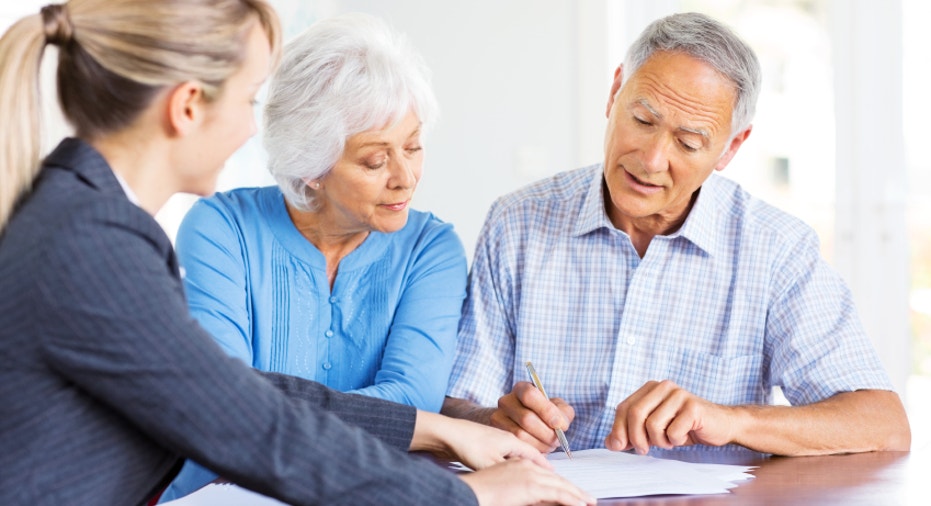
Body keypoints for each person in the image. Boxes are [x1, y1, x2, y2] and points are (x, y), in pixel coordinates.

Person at [0, 2, 594, 505]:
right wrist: (471, 495)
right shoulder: (92, 245)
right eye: (249, 101)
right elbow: (248, 422)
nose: (253, 130)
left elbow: (238, 392)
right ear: (186, 106)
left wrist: (440, 429)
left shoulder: (90, 224)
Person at [442, 12, 911, 458]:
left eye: (688, 143)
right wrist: (495, 419)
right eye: (642, 121)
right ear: (613, 94)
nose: (651, 159)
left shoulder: (775, 249)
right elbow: (454, 404)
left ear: (731, 147)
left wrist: (732, 421)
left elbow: (882, 425)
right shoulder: (518, 223)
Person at [160, 13, 469, 501]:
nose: (405, 177)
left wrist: (265, 417)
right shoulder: (222, 228)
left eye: (413, 147)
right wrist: (403, 424)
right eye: (375, 160)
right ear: (312, 167)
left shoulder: (430, 249)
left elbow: (414, 397)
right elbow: (226, 403)